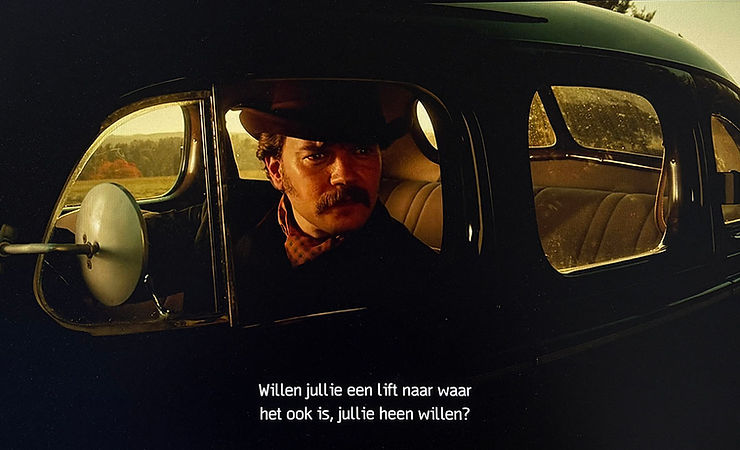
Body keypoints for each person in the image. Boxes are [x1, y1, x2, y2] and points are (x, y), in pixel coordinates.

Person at [232, 81, 438, 324]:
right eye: (317, 156)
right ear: (276, 171)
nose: (344, 175)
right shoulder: (238, 240)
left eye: (362, 151)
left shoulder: (416, 276)